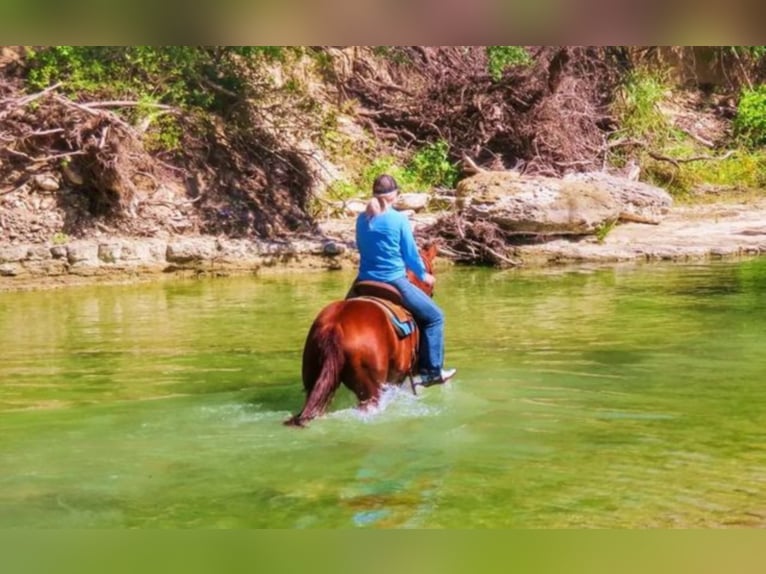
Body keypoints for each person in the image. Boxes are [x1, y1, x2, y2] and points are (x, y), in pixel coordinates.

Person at [354, 173, 456, 386]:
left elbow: (362, 248)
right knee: (436, 317)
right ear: (394, 196)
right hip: (393, 280)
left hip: (363, 281)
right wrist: (423, 275)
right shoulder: (399, 219)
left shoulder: (361, 219)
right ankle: (431, 372)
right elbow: (410, 255)